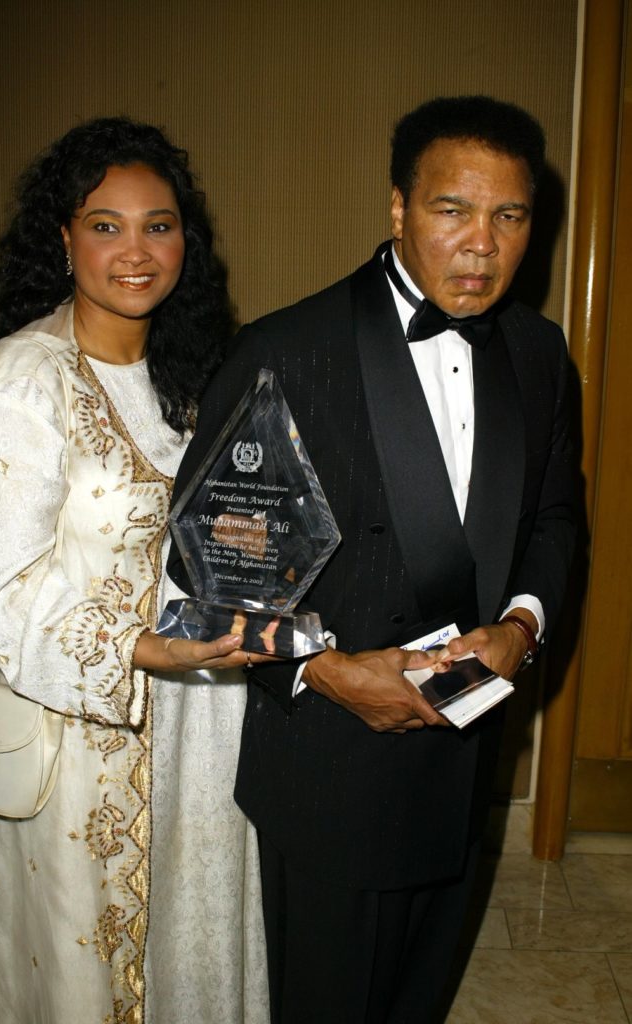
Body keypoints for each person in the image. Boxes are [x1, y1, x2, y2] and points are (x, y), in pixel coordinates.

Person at [168, 96, 579, 1023]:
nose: (482, 245)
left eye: (509, 217)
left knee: (416, 998)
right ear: (397, 208)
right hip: (330, 770)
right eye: (451, 211)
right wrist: (320, 671)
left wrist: (522, 625)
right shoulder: (283, 350)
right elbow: (209, 571)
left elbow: (555, 519)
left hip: (467, 753)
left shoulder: (537, 351)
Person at [0, 117, 271, 1023]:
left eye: (159, 225)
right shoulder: (22, 385)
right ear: (63, 238)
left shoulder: (193, 373)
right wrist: (146, 651)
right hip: (83, 749)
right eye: (105, 225)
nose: (136, 251)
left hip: (204, 721)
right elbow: (6, 605)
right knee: (94, 976)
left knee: (193, 945)